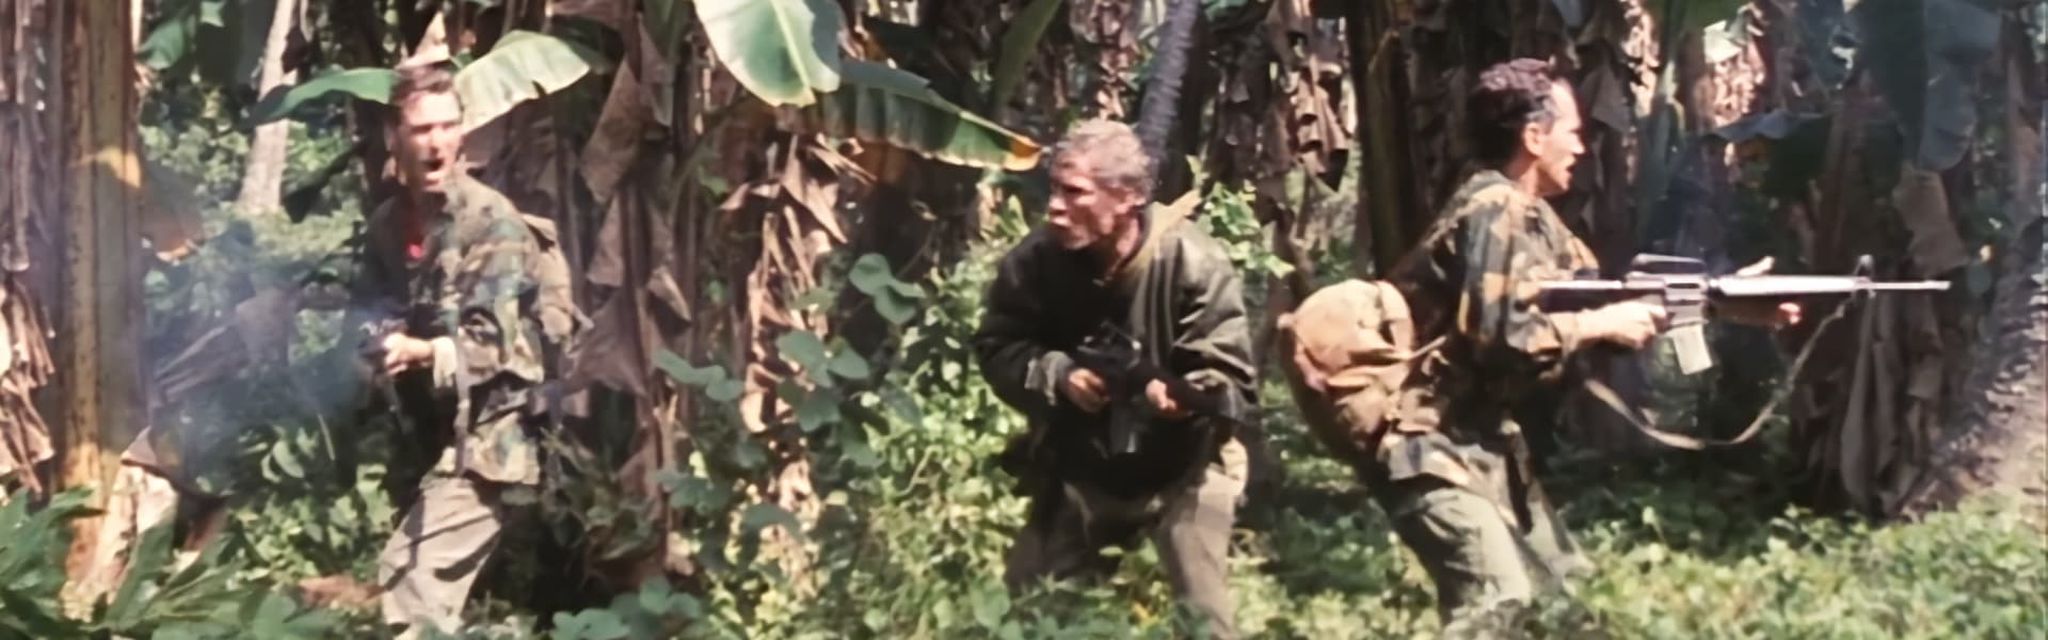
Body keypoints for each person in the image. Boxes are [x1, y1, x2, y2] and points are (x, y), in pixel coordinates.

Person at [1368, 59, 1797, 633]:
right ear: (1533, 136)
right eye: (1572, 132)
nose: (1581, 147)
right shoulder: (1496, 207)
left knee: (1566, 604)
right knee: (1500, 604)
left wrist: (1729, 301)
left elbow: (1609, 299)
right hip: (1432, 446)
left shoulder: (1534, 219)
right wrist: (1600, 325)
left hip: (1484, 445)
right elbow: (1500, 338)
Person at [973, 119, 1256, 639]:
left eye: (1074, 192)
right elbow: (999, 346)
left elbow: (1230, 378)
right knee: (1025, 615)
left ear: (1127, 198)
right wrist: (1059, 376)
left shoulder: (1193, 262)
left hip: (1185, 470)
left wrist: (1181, 398)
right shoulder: (1036, 261)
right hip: (1084, 470)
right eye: (1054, 189)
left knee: (1204, 621)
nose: (1055, 207)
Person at [353, 61, 576, 638]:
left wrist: (420, 351)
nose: (438, 143)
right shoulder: (386, 225)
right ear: (394, 137)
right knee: (406, 580)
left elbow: (491, 345)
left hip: (492, 437)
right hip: (431, 433)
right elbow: (373, 307)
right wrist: (376, 340)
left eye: (448, 126)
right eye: (422, 129)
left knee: (413, 585)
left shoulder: (491, 221)